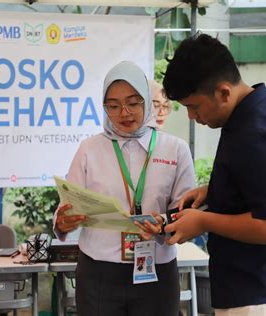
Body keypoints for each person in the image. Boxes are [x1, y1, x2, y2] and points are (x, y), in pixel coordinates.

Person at [162, 34, 266, 316]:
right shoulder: (254, 116)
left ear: (224, 92)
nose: (191, 117)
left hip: (264, 297)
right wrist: (215, 190)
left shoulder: (255, 133)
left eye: (194, 106)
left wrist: (204, 221)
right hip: (261, 289)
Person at [53, 61, 195, 316]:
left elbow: (187, 210)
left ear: (147, 101)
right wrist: (63, 221)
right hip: (99, 271)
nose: (124, 113)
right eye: (114, 106)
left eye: (133, 102)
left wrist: (163, 223)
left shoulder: (174, 149)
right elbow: (69, 202)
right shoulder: (89, 149)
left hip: (156, 269)